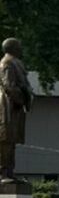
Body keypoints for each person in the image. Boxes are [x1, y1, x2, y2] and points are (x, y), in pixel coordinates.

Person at [0, 38, 33, 182]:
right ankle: (3, 173)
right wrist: (21, 98)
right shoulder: (6, 63)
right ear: (12, 48)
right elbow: (8, 85)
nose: (21, 49)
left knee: (12, 140)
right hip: (7, 105)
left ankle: (10, 171)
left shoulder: (17, 63)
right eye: (19, 46)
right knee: (5, 139)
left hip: (15, 107)